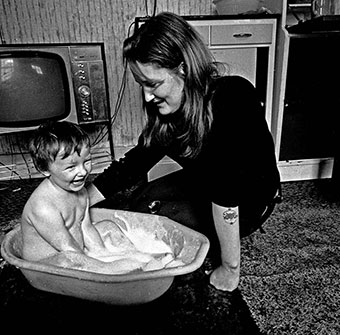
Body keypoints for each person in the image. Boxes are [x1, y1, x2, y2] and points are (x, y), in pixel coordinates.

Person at [86, 12, 281, 291]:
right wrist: (80, 200)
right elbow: (135, 163)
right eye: (142, 84)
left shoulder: (232, 96)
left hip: (247, 199)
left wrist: (230, 268)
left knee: (157, 228)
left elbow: (226, 192)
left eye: (153, 84)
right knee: (141, 202)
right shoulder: (169, 111)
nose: (147, 97)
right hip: (207, 183)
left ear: (183, 69)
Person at [20, 121, 161, 274]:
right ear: (44, 169)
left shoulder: (80, 192)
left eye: (86, 161)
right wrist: (104, 266)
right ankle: (118, 271)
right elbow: (68, 249)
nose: (82, 172)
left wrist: (103, 254)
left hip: (76, 250)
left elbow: (85, 227)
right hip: (45, 266)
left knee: (108, 226)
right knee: (67, 259)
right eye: (71, 167)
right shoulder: (43, 207)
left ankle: (140, 257)